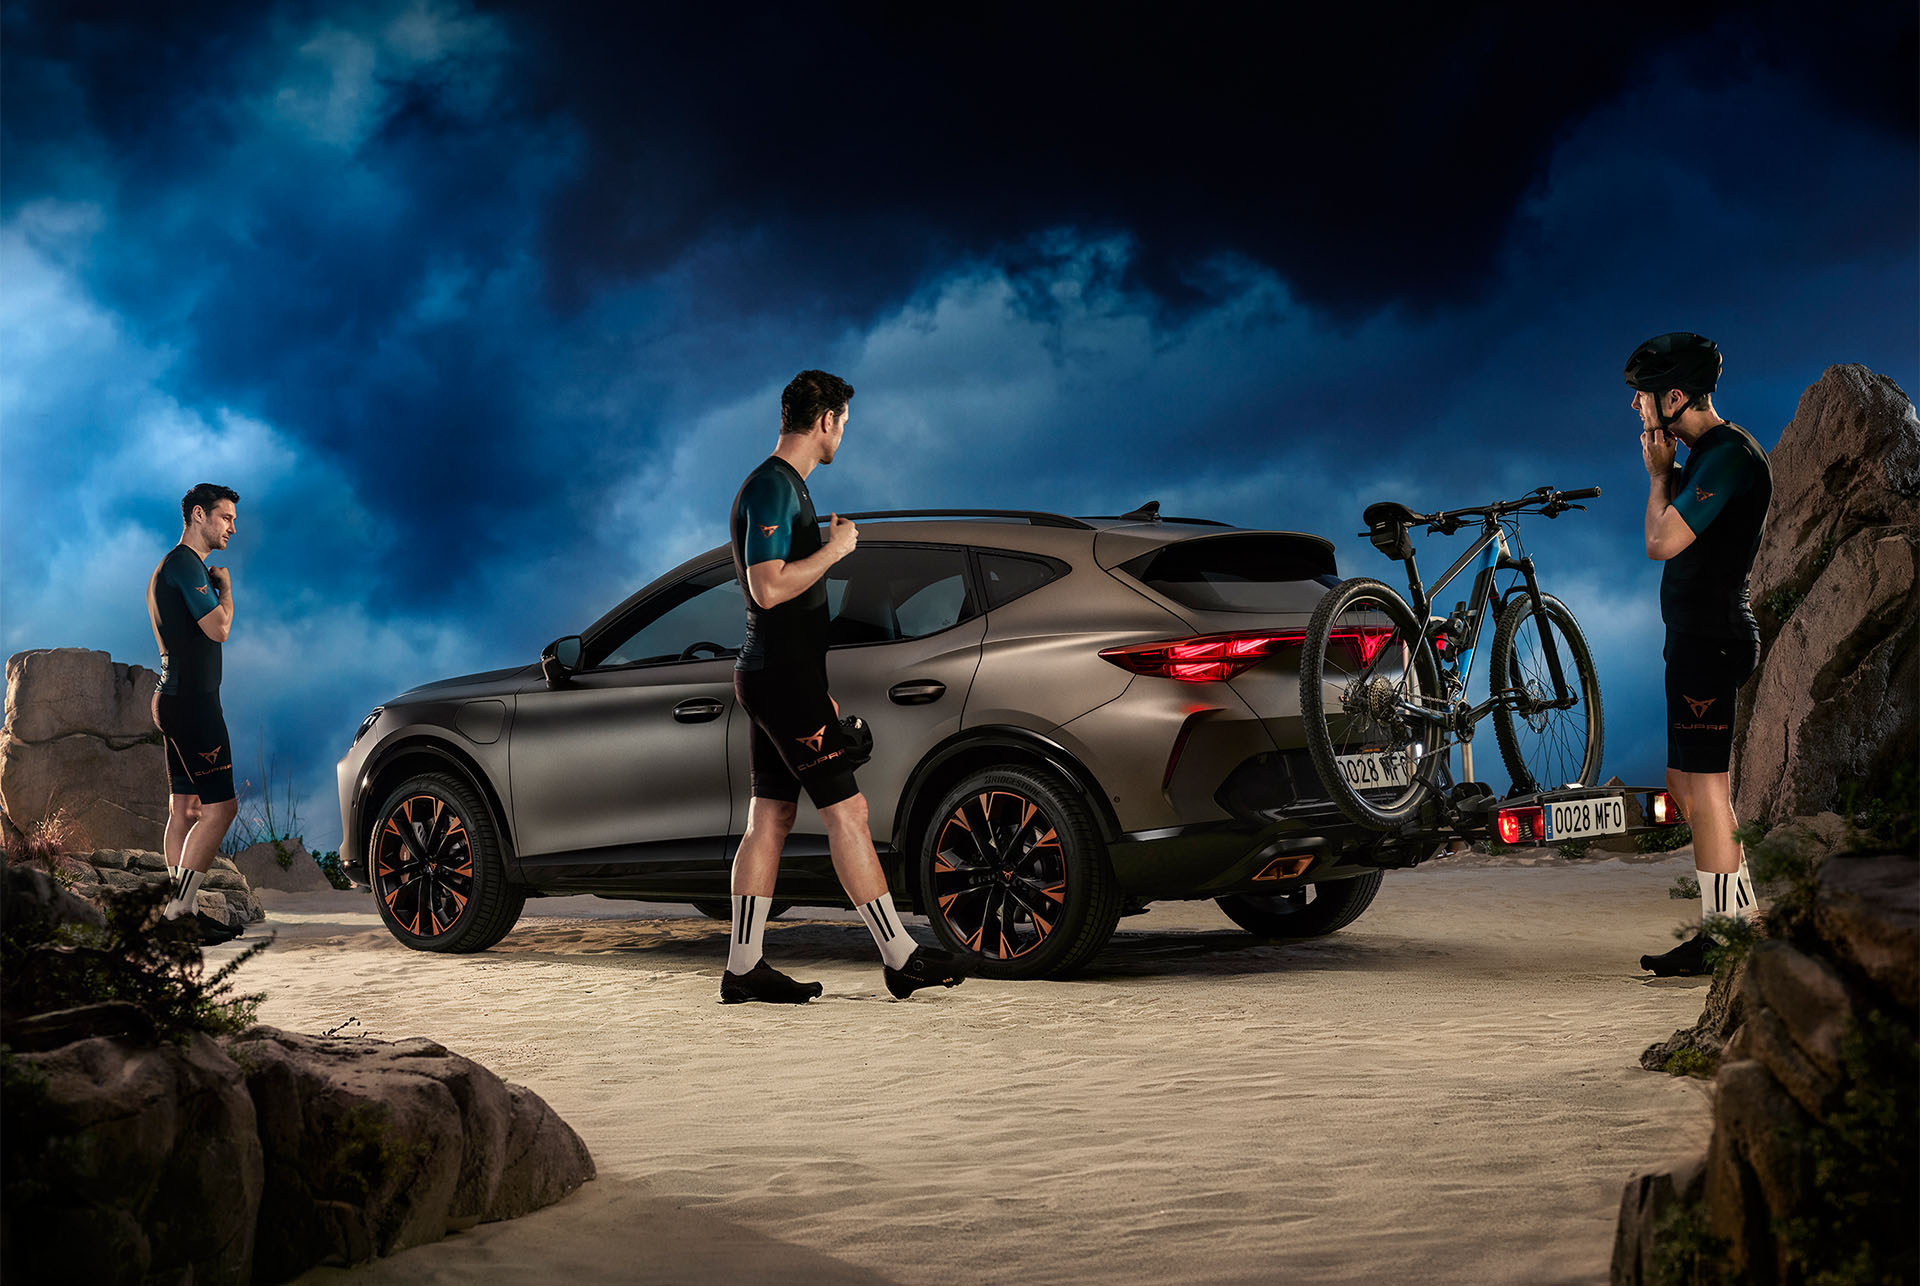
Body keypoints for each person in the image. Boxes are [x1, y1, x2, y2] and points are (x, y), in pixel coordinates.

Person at [721, 370, 965, 1003]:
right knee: (847, 811)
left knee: (770, 815)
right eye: (845, 425)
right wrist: (837, 551)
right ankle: (900, 956)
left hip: (784, 676)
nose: (843, 438)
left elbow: (794, 618)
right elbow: (767, 588)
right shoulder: (773, 488)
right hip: (777, 676)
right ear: (826, 419)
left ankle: (744, 968)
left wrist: (816, 689)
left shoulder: (786, 489)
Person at [1628, 333, 1772, 976]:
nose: (1637, 405)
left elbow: (1661, 541)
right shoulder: (1708, 459)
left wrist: (1660, 477)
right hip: (1690, 639)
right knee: (1684, 785)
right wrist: (1668, 474)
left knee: (1708, 792)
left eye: (1645, 395)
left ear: (1676, 396)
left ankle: (1724, 939)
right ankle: (1742, 918)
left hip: (1712, 641)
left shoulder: (1728, 457)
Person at [146, 483, 244, 941]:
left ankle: (178, 911)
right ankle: (179, 914)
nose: (232, 527)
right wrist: (226, 590)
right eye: (226, 518)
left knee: (184, 809)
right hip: (193, 705)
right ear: (199, 514)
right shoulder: (186, 564)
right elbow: (219, 628)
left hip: (172, 698)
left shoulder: (171, 566)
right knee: (222, 808)